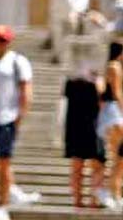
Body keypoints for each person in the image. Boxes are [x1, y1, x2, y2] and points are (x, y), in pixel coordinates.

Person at [0, 25, 38, 207]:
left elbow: (26, 90)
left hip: (7, 117)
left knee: (4, 161)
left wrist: (20, 115)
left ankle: (4, 203)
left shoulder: (17, 62)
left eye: (3, 41)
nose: (0, 44)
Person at [62, 53, 109, 209]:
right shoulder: (93, 80)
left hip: (80, 125)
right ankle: (86, 201)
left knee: (83, 164)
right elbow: (102, 98)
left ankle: (82, 201)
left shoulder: (72, 81)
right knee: (91, 164)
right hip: (89, 125)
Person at [97, 41, 123, 208]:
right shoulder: (115, 66)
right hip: (114, 111)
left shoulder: (108, 66)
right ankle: (111, 191)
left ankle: (114, 191)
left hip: (109, 111)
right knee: (118, 154)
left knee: (117, 156)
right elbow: (117, 92)